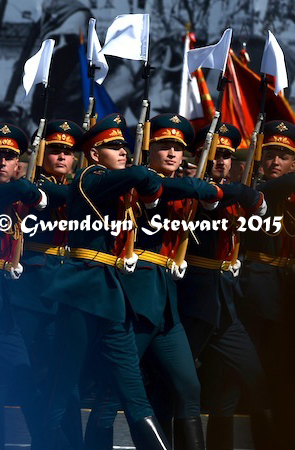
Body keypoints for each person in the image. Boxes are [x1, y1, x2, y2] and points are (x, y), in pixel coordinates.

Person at [84, 113, 227, 450]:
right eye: (164, 146)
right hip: (133, 301)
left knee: (188, 388)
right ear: (148, 153)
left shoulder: (181, 185)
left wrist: (217, 190)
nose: (173, 154)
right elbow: (162, 189)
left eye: (178, 148)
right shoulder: (135, 180)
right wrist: (200, 186)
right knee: (111, 395)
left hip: (165, 303)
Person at [40, 113, 171, 450]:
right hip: (82, 293)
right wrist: (152, 190)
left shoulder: (113, 185)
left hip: (109, 297)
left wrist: (152, 193)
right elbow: (142, 173)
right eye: (114, 147)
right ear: (95, 155)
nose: (123, 152)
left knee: (134, 394)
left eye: (124, 146)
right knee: (61, 385)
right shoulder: (91, 177)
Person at [177, 123, 276, 450]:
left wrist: (251, 193)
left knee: (254, 379)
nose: (221, 162)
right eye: (216, 154)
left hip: (226, 306)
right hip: (193, 303)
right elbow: (211, 199)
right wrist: (246, 194)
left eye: (228, 156)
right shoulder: (190, 187)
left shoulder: (235, 188)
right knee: (179, 386)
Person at [10, 119, 84, 450]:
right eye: (54, 150)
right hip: (31, 289)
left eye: (68, 152)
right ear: (41, 153)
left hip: (66, 289)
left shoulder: (79, 187)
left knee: (66, 380)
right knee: (32, 374)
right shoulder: (28, 186)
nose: (61, 157)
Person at [237, 120, 295, 449]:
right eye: (270, 154)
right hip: (258, 292)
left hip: (287, 292)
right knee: (259, 374)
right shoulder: (257, 191)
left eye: (283, 156)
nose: (275, 161)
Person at [0, 123, 47, 450]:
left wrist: (39, 192)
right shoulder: (10, 192)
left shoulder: (18, 196)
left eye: (9, 157)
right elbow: (14, 192)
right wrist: (32, 190)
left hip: (7, 313)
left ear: (19, 164)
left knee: (25, 377)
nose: (1, 162)